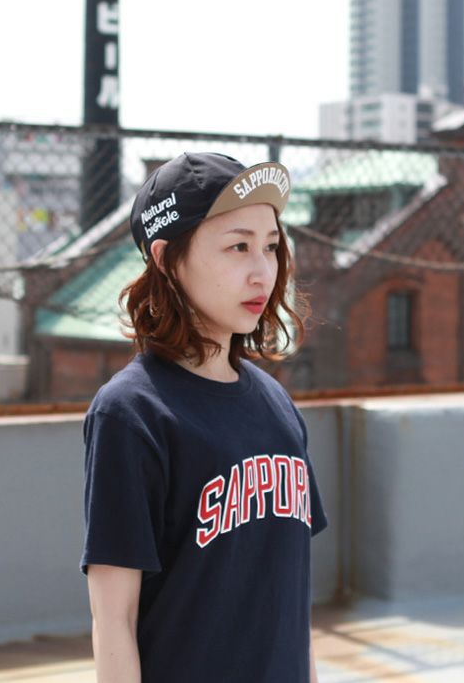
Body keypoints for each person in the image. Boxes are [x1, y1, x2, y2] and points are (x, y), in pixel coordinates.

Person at [80, 151, 328, 682]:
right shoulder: (131, 413)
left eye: (271, 246)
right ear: (167, 259)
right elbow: (114, 618)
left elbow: (291, 599)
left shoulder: (277, 404)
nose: (263, 272)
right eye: (239, 246)